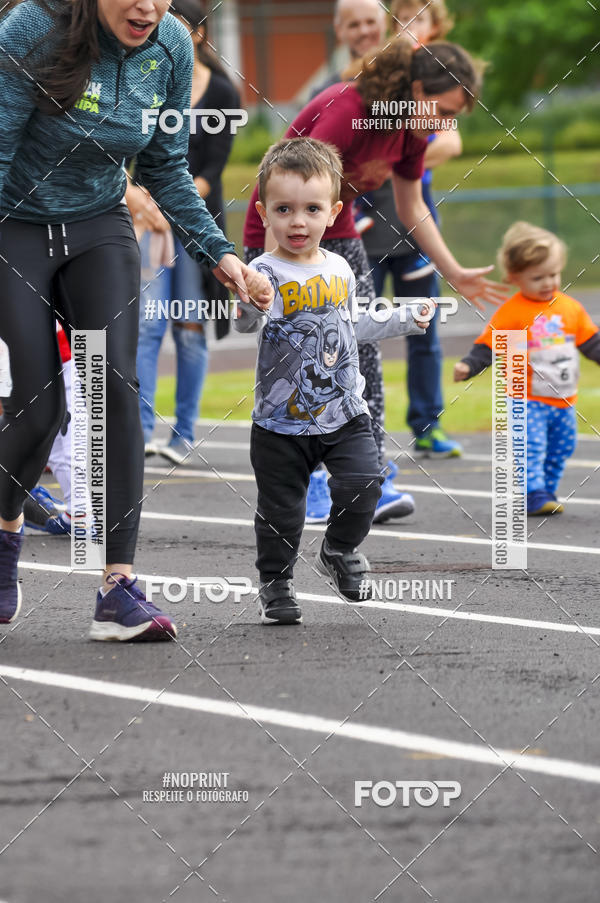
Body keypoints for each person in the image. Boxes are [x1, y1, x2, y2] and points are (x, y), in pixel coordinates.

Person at [0, 0, 271, 638]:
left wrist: (223, 258)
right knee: (38, 409)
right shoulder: (31, 30)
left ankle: (118, 589)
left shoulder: (172, 44)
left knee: (118, 387)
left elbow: (166, 169)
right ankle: (5, 537)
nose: (148, 6)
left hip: (100, 225)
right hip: (14, 223)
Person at [244, 40, 506, 523]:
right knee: (303, 361)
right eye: (445, 111)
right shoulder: (350, 110)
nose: (447, 124)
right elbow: (284, 177)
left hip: (340, 235)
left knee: (360, 354)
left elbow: (413, 208)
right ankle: (313, 481)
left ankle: (367, 477)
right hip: (280, 239)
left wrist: (455, 272)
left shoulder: (410, 130)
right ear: (419, 89)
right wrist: (266, 260)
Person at [237, 137, 432, 625]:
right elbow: (243, 325)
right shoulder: (262, 270)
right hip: (282, 421)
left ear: (333, 212)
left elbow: (355, 325)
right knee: (281, 513)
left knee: (365, 482)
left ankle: (339, 549)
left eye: (310, 209)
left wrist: (406, 318)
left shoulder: (340, 267)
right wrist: (247, 297)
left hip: (344, 412)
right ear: (263, 212)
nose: (297, 221)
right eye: (283, 209)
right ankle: (276, 583)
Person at [129, 0, 241, 465]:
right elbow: (130, 155)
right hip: (150, 222)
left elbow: (210, 170)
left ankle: (184, 433)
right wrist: (143, 204)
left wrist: (167, 202)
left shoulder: (222, 91)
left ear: (196, 34)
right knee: (149, 325)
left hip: (196, 224)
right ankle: (138, 433)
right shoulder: (142, 78)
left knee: (190, 328)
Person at [364, 0, 464, 459]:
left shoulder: (439, 80)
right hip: (364, 222)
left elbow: (452, 142)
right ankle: (360, 428)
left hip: (413, 221)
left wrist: (400, 155)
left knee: (424, 329)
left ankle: (428, 424)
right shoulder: (380, 74)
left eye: (418, 17)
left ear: (436, 25)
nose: (408, 25)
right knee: (360, 330)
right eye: (401, 16)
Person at [454, 222, 600, 515]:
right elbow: (489, 346)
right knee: (530, 447)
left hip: (564, 400)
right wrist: (469, 365)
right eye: (537, 278)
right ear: (514, 278)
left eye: (553, 275)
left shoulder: (570, 308)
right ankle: (533, 492)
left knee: (562, 448)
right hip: (526, 399)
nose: (548, 283)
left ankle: (546, 488)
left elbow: (591, 342)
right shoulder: (513, 312)